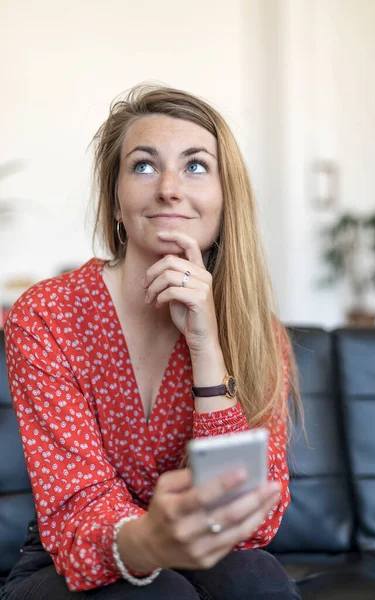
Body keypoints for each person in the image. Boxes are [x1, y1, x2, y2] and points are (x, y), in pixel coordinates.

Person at [2, 84, 302, 599]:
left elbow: (252, 522)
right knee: (159, 593)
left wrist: (207, 348)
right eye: (143, 166)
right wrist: (153, 539)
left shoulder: (256, 328)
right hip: (69, 559)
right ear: (116, 201)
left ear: (224, 200)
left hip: (205, 555)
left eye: (195, 166)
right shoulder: (46, 314)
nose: (168, 188)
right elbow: (78, 508)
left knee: (257, 580)